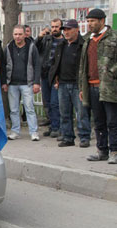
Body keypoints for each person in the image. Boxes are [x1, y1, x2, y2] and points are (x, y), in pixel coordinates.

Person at [78, 9, 117, 163]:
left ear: (102, 21)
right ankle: (102, 150)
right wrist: (82, 87)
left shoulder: (113, 37)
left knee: (113, 121)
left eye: (93, 21)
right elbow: (83, 65)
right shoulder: (88, 40)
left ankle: (115, 151)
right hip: (92, 87)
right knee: (99, 121)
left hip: (110, 87)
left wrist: (111, 72)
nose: (90, 24)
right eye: (88, 21)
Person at [49, 19, 91, 148]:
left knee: (81, 113)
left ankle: (84, 137)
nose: (66, 32)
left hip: (77, 84)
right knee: (64, 112)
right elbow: (56, 63)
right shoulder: (61, 45)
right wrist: (56, 77)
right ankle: (68, 137)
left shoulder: (83, 45)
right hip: (62, 83)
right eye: (64, 30)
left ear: (77, 30)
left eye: (69, 29)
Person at [4, 25, 41, 141]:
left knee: (29, 108)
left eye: (20, 34)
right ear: (13, 35)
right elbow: (4, 65)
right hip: (12, 83)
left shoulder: (31, 47)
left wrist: (36, 82)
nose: (18, 37)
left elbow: (37, 65)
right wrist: (5, 82)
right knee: (14, 109)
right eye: (16, 34)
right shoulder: (8, 47)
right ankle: (15, 131)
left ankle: (33, 132)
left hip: (27, 83)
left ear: (25, 34)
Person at [35, 18, 64, 139]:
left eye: (57, 26)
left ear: (61, 27)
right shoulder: (47, 39)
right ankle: (52, 126)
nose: (54, 29)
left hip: (56, 76)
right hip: (45, 74)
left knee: (54, 102)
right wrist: (40, 37)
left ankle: (57, 127)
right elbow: (34, 48)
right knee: (46, 102)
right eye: (53, 27)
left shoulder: (63, 41)